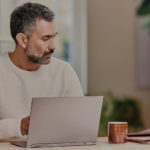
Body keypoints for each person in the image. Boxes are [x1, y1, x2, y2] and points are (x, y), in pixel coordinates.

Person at [0, 2, 83, 138]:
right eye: (46, 38)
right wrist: (19, 126)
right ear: (22, 40)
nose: (53, 46)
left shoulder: (64, 71)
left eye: (53, 37)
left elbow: (82, 123)